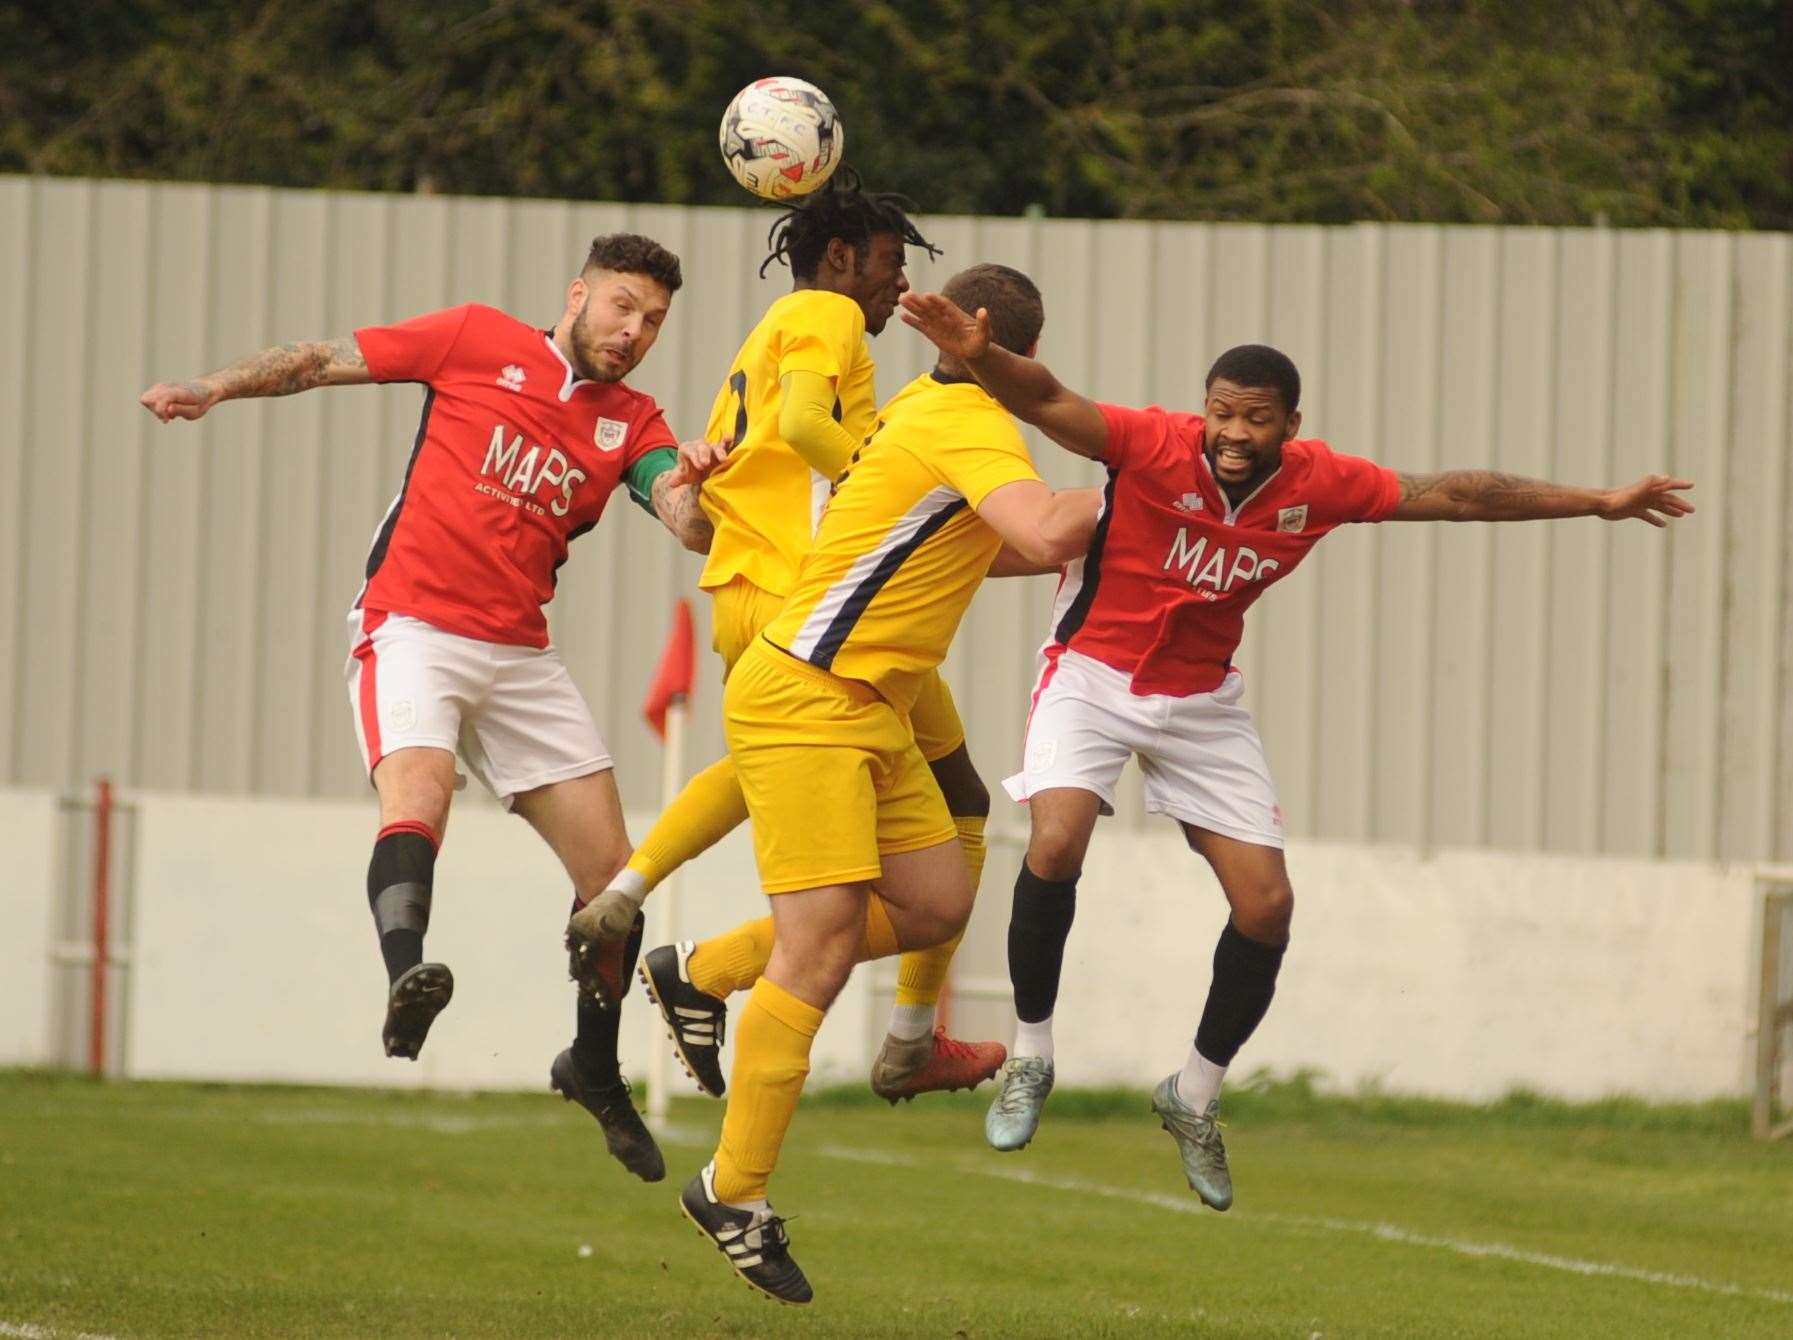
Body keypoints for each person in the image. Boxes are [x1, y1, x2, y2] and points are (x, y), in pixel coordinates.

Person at [899, 288, 1696, 1212]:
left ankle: (1193, 1094)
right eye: (1222, 413)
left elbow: (1459, 494)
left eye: (1255, 419)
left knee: (1268, 906)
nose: (1232, 434)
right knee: (1055, 841)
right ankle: (1032, 1058)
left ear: (1291, 425)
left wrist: (1598, 500)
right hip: (1093, 677)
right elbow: (1048, 401)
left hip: (1202, 704)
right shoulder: (1150, 444)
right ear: (1202, 409)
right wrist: (984, 358)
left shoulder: (1320, 483)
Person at [137, 233, 715, 1184]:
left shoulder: (632, 421)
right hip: (413, 626)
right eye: (620, 305)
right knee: (421, 790)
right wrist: (212, 386)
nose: (633, 330)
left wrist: (702, 483)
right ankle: (407, 971)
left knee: (613, 878)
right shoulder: (476, 339)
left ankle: (595, 1067)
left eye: (652, 319)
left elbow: (688, 526)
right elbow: (321, 360)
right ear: (577, 294)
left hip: (521, 656)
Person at [668, 263, 1095, 1305]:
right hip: (809, 693)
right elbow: (1039, 531)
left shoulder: (928, 407)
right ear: (1014, 351)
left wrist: (1069, 531)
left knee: (936, 898)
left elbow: (982, 547)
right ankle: (733, 1188)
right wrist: (1148, 490)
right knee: (815, 948)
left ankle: (707, 968)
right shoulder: (971, 424)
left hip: (866, 705)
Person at [564, 182, 1006, 1103]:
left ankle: (632, 896)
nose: (897, 289)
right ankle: (875, 1026)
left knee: (925, 789)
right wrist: (884, 485)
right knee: (918, 831)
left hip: (756, 584)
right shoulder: (821, 311)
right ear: (843, 257)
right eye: (890, 266)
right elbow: (807, 428)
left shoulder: (786, 323)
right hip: (803, 593)